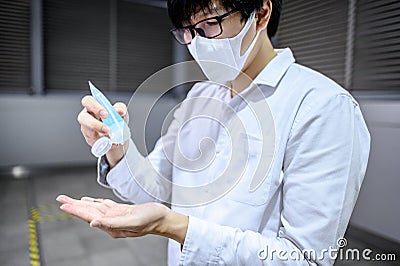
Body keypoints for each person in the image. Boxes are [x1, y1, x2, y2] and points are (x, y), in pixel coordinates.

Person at [57, 0, 371, 265]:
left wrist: (176, 226)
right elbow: (152, 186)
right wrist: (116, 145)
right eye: (187, 31)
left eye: (210, 24)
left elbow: (305, 258)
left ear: (260, 13)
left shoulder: (321, 106)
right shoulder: (200, 97)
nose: (197, 43)